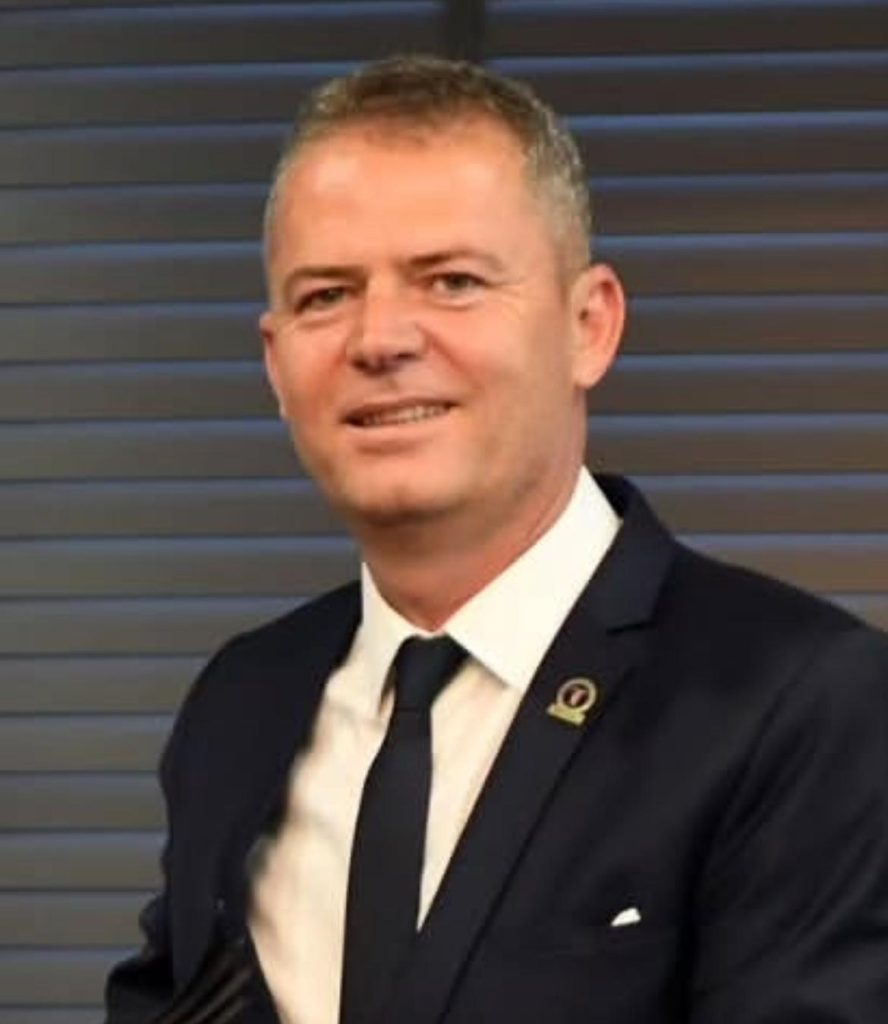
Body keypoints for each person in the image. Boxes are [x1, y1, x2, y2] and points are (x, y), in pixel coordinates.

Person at [104, 55, 888, 1024]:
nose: (380, 338)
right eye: (325, 296)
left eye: (452, 281)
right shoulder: (241, 702)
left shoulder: (798, 703)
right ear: (275, 361)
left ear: (589, 326)